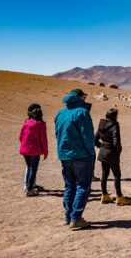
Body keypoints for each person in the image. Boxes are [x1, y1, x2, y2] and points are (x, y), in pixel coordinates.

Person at [55, 89, 95, 229]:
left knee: (69, 186)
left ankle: (68, 216)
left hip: (65, 155)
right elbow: (87, 136)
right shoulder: (82, 112)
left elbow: (58, 133)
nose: (85, 99)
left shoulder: (60, 113)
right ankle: (76, 218)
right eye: (84, 97)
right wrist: (91, 152)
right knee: (82, 186)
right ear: (80, 97)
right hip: (81, 155)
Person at [94, 108, 131, 206]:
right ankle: (119, 196)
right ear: (115, 116)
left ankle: (104, 195)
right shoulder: (115, 124)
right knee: (117, 175)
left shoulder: (101, 124)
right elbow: (116, 140)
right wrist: (118, 150)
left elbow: (95, 138)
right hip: (112, 152)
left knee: (104, 174)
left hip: (103, 152)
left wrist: (101, 146)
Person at [19, 103, 48, 197]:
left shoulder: (26, 123)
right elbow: (43, 139)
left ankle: (27, 187)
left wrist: (24, 144)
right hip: (34, 150)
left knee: (29, 168)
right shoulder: (41, 125)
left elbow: (20, 136)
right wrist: (45, 152)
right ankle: (30, 189)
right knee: (33, 169)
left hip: (25, 150)